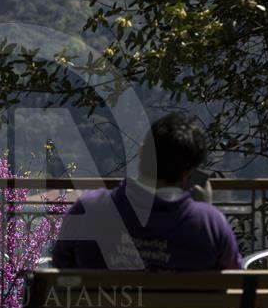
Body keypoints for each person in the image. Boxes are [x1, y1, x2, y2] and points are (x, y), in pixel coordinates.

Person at [51, 112, 241, 270]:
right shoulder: (210, 223)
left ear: (141, 152)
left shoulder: (89, 208)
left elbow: (60, 265)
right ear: (189, 172)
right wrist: (203, 213)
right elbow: (233, 278)